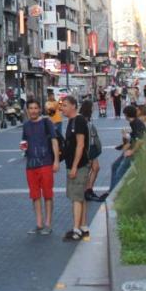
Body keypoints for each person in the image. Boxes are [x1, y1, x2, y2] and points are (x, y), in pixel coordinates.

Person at [21, 99, 60, 235]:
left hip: (46, 163)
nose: (33, 111)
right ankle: (39, 223)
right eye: (30, 108)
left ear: (39, 109)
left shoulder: (46, 122)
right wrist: (23, 147)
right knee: (35, 195)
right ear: (27, 110)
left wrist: (56, 161)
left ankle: (48, 224)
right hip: (31, 165)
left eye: (35, 108)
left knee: (48, 195)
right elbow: (24, 142)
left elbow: (55, 141)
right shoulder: (25, 125)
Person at [97, 104, 146, 200]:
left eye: (125, 114)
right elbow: (134, 138)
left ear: (127, 114)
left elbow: (140, 139)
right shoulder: (134, 123)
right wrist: (125, 140)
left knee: (120, 171)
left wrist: (131, 151)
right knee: (115, 166)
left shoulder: (136, 123)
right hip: (131, 149)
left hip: (135, 151)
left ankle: (115, 195)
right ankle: (112, 191)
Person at [60, 96, 89, 242]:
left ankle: (76, 229)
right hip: (73, 165)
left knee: (76, 198)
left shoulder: (78, 121)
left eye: (65, 105)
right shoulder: (72, 121)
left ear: (73, 106)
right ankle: (83, 226)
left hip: (79, 166)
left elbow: (80, 144)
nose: (62, 108)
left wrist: (75, 166)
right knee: (79, 196)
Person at [81, 100, 103, 201]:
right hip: (88, 148)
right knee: (89, 169)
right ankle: (87, 190)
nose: (94, 108)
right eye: (92, 107)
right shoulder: (82, 120)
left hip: (92, 147)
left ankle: (89, 189)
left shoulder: (87, 119)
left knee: (96, 168)